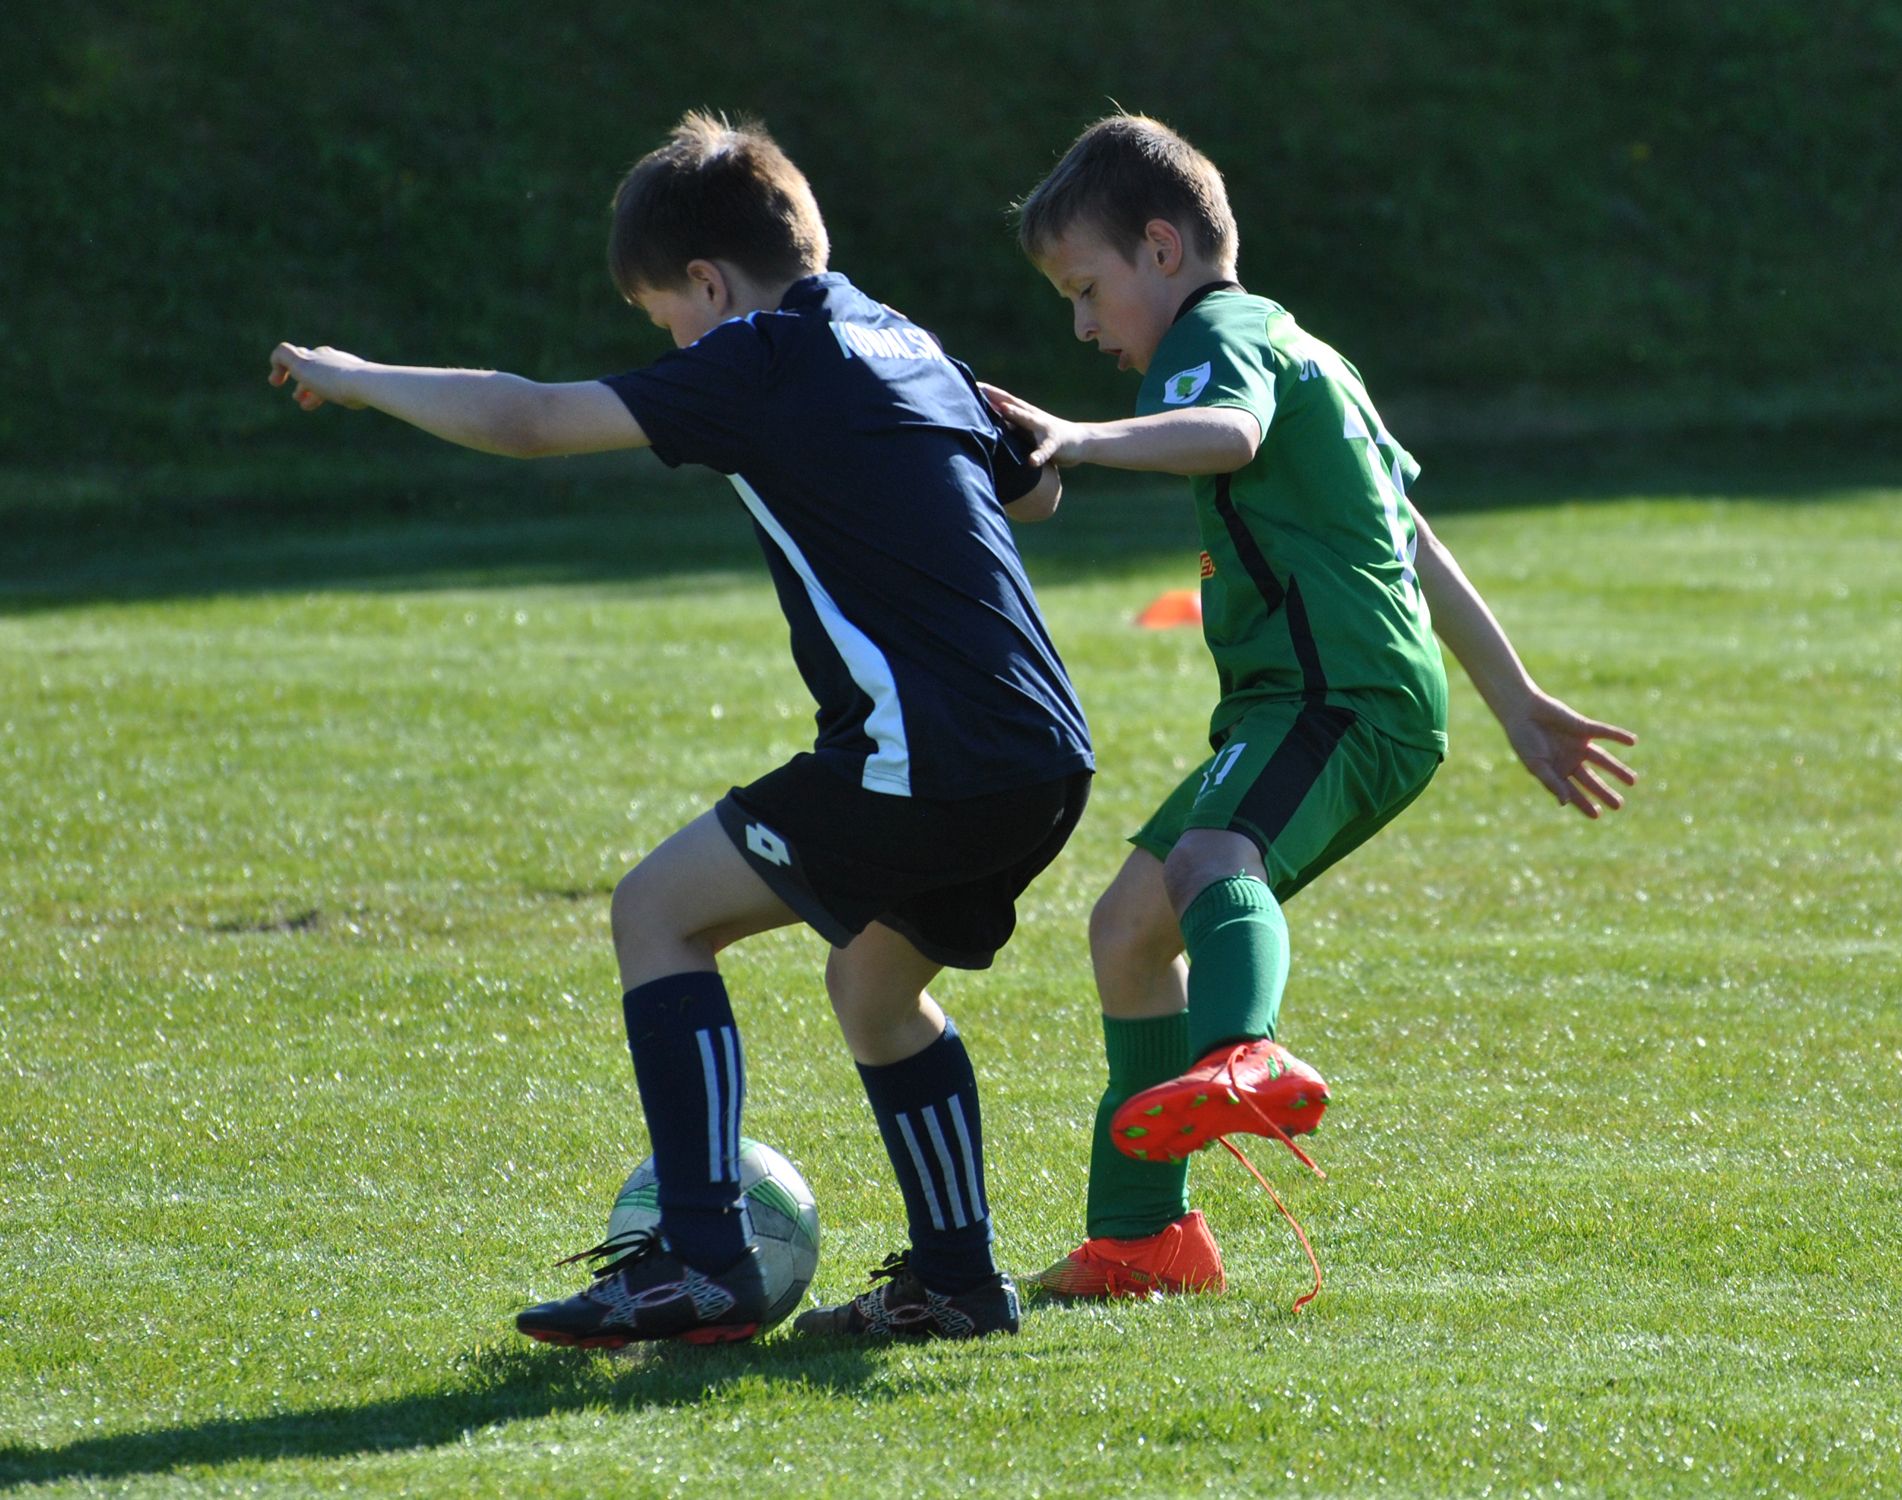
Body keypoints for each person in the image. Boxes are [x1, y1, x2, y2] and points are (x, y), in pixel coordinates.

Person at [267, 112, 1092, 1345]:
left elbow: (531, 421)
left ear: (708, 283)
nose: (673, 348)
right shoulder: (901, 336)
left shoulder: (757, 351)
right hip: (1043, 753)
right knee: (875, 990)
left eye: (665, 320)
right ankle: (960, 1285)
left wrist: (353, 374)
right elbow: (1040, 490)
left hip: (925, 755)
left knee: (658, 911)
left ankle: (700, 1258)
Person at [981, 114, 1637, 1305]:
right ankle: (1142, 1240)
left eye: (1086, 290)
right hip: (1325, 696)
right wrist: (1516, 699)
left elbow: (1226, 434)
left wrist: (1075, 438)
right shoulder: (1307, 349)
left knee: (1210, 862)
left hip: (1334, 693)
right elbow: (1410, 537)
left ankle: (1247, 1050)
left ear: (1162, 250)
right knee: (1127, 930)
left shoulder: (1217, 335)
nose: (1081, 326)